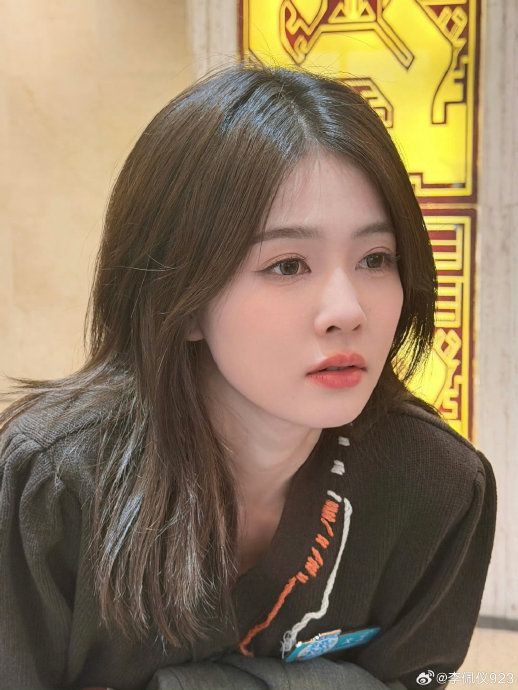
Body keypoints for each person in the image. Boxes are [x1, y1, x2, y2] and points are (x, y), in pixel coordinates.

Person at [0, 61, 496, 690]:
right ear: (180, 301)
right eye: (288, 265)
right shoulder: (55, 485)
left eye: (375, 258)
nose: (348, 310)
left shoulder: (437, 485)